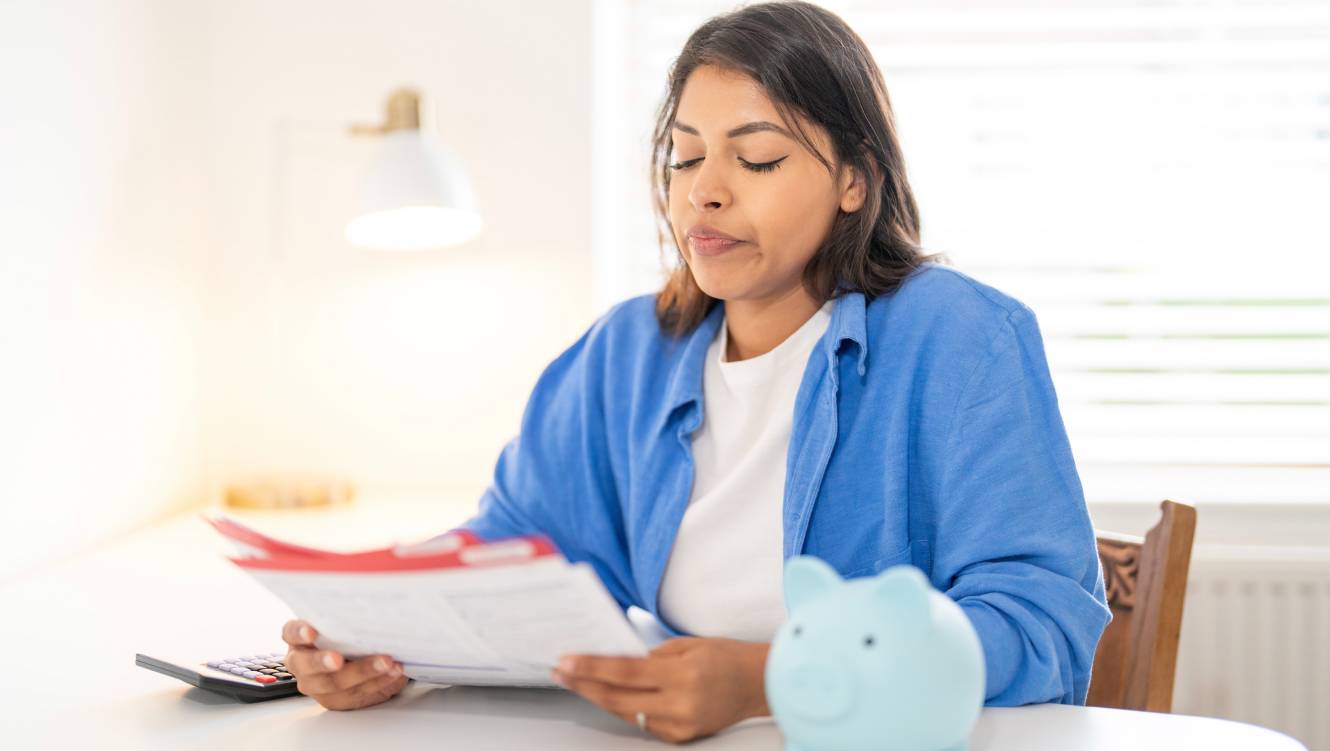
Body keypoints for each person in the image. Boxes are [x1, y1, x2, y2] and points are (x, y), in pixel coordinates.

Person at [279, 0, 1111, 743]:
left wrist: (766, 678)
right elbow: (509, 549)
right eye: (684, 158)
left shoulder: (962, 339)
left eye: (756, 161)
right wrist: (375, 634)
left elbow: (1038, 625)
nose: (703, 195)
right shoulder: (625, 355)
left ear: (854, 179)